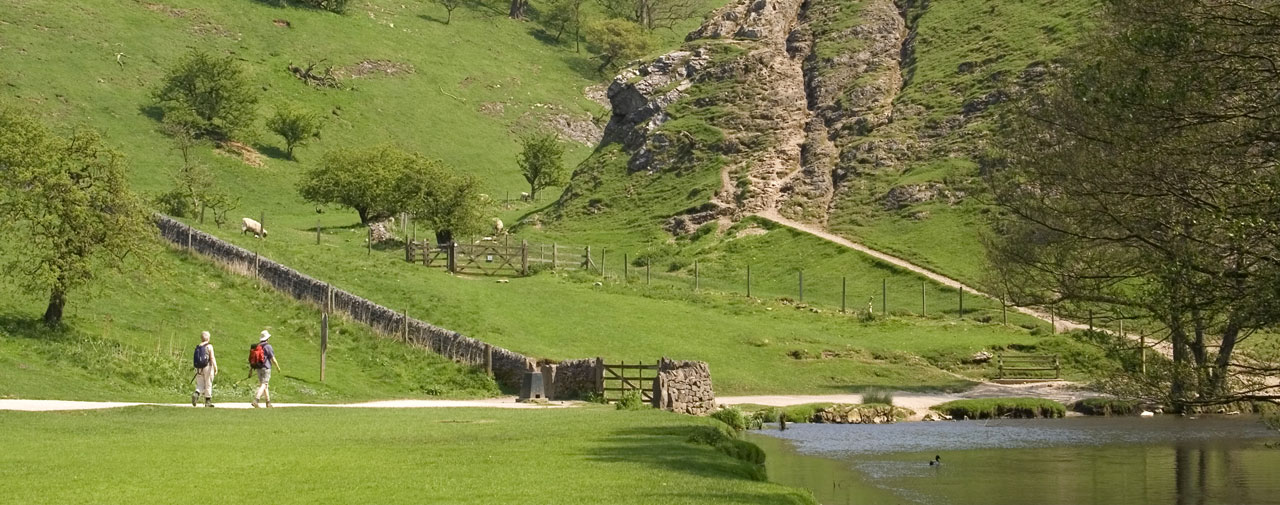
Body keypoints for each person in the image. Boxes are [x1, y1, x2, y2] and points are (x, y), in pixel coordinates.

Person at [252, 330, 281, 408]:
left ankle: (268, 402)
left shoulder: (258, 346)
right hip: (266, 368)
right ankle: (256, 400)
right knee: (264, 384)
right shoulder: (268, 346)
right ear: (267, 338)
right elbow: (273, 359)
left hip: (258, 368)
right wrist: (277, 367)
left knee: (264, 385)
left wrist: (250, 370)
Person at [191, 331, 218, 407]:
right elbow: (212, 358)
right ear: (208, 338)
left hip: (199, 368)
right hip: (208, 366)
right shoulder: (209, 346)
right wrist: (215, 367)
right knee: (208, 383)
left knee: (200, 384)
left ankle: (196, 393)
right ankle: (207, 401)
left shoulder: (198, 347)